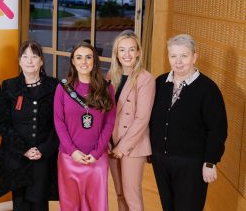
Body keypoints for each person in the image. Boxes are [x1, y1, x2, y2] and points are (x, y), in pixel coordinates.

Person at [149, 34, 227, 211]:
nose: (178, 61)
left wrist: (210, 162)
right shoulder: (160, 82)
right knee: (168, 207)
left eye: (184, 56)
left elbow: (217, 130)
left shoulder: (208, 89)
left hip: (191, 164)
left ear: (194, 57)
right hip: (161, 159)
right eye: (173, 56)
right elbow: (151, 119)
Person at [0, 40, 59, 210]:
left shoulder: (54, 86)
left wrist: (43, 150)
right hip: (18, 156)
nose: (30, 61)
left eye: (34, 56)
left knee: (39, 203)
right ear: (19, 61)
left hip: (43, 158)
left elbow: (59, 122)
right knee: (20, 204)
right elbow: (3, 122)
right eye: (25, 56)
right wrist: (24, 149)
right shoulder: (9, 86)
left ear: (41, 61)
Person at [54, 41, 116, 211]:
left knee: (96, 204)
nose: (84, 62)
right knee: (70, 205)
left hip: (97, 158)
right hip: (69, 157)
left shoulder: (106, 88)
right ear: (73, 61)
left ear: (94, 61)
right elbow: (59, 122)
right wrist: (72, 151)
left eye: (88, 57)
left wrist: (97, 153)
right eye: (79, 57)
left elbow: (109, 123)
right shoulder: (63, 87)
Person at [107, 30, 156, 211]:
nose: (126, 55)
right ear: (116, 53)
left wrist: (122, 147)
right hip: (112, 143)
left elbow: (142, 118)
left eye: (131, 50)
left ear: (137, 52)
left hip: (132, 146)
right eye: (122, 50)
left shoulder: (146, 78)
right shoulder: (111, 76)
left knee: (131, 195)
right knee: (119, 193)